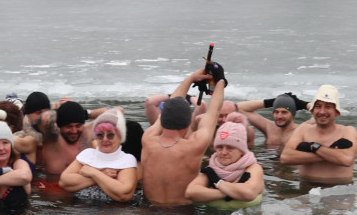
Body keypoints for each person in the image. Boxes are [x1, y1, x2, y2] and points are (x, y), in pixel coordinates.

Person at [141, 64, 227, 206]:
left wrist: (191, 78)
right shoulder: (194, 144)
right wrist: (220, 81)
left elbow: (171, 103)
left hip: (149, 211)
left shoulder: (148, 139)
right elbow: (214, 112)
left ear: (162, 119)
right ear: (188, 124)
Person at [280, 85, 357, 183]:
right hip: (307, 191)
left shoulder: (348, 131)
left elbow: (346, 159)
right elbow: (286, 157)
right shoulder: (303, 129)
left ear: (337, 112)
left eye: (328, 107)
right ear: (312, 110)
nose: (322, 111)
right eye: (318, 106)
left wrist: (313, 147)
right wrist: (331, 152)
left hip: (340, 191)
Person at [59, 110, 139, 203]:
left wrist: (94, 173)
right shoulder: (87, 154)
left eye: (110, 135)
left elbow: (123, 193)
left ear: (120, 136)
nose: (105, 139)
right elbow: (64, 182)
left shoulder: (127, 159)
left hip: (113, 213)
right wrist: (103, 175)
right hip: (81, 211)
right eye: (100, 135)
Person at [186, 120, 265, 205]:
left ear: (241, 150)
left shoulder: (253, 168)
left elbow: (249, 193)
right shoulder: (212, 168)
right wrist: (229, 193)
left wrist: (218, 182)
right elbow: (191, 192)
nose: (223, 152)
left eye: (230, 148)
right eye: (220, 147)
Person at [235, 93, 310, 147]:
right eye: (276, 112)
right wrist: (272, 102)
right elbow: (238, 107)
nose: (279, 116)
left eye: (284, 112)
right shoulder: (269, 127)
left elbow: (320, 114)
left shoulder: (301, 130)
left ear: (293, 114)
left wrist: (303, 104)